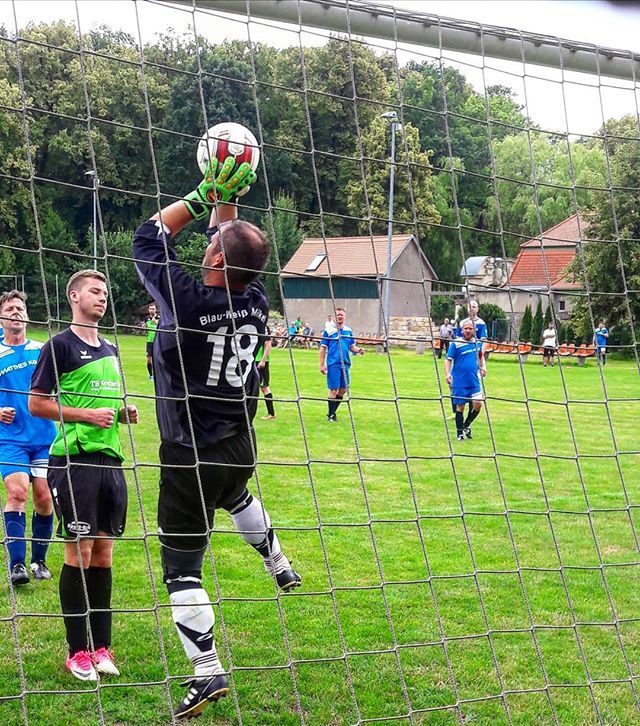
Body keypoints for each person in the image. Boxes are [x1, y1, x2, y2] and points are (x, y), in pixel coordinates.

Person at [132, 156, 300, 719]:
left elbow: (148, 237)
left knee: (181, 567)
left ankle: (205, 671)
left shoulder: (186, 301)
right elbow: (227, 246)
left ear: (215, 258)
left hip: (189, 451)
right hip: (238, 444)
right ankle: (276, 560)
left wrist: (204, 192)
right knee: (235, 496)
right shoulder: (254, 300)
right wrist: (228, 201)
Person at [29, 270, 139, 682]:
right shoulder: (59, 346)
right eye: (95, 291)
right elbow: (38, 404)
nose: (102, 297)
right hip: (73, 462)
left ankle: (101, 647)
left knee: (105, 554)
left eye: (105, 292)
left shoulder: (111, 348)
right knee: (79, 553)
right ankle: (76, 652)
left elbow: (106, 402)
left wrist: (123, 415)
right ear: (74, 296)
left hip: (111, 460)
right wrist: (85, 416)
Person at [0, 290, 56, 587]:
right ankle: (18, 563)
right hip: (10, 439)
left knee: (45, 498)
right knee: (18, 493)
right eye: (9, 308)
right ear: (2, 317)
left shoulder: (43, 349)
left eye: (20, 308)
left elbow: (61, 385)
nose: (15, 312)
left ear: (27, 314)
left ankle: (40, 560)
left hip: (45, 437)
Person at [319, 307, 365, 422]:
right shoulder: (328, 331)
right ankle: (331, 415)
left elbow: (351, 346)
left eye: (341, 315)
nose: (340, 316)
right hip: (333, 363)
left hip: (345, 364)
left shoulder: (348, 331)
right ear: (334, 317)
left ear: (344, 317)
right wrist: (322, 364)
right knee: (334, 389)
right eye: (338, 315)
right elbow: (323, 348)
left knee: (343, 389)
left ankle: (332, 413)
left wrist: (359, 350)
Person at [445, 319, 487, 441]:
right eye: (466, 328)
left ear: (474, 330)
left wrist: (483, 366)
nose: (468, 330)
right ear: (462, 330)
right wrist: (448, 374)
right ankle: (459, 434)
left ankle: (466, 425)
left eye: (470, 328)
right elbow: (448, 359)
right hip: (459, 380)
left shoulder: (477, 343)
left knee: (478, 403)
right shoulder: (456, 343)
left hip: (473, 380)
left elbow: (480, 356)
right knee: (461, 407)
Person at [256, 326, 276, 419]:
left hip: (260, 361)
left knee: (264, 387)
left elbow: (268, 345)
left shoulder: (264, 328)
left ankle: (271, 413)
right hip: (253, 360)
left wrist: (263, 360)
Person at [144, 302, 159, 380]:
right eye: (150, 309)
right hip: (149, 341)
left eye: (153, 309)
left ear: (156, 310)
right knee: (149, 359)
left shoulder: (160, 318)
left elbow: (162, 328)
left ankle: (158, 375)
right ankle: (151, 375)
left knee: (158, 359)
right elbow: (145, 329)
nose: (151, 310)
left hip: (158, 341)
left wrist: (155, 322)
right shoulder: (146, 319)